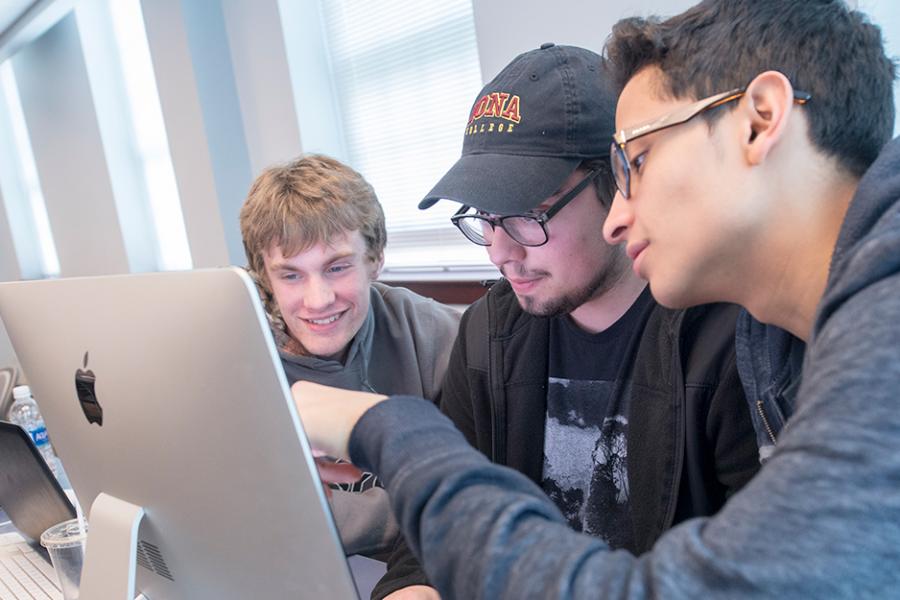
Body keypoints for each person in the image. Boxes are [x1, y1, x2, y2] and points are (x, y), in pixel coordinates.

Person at [292, 0, 900, 597]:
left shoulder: (851, 334)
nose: (619, 217)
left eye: (637, 162)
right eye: (486, 219)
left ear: (760, 120)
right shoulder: (491, 330)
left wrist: (390, 432)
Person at [374, 44, 759, 599]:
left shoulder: (727, 339)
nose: (499, 252)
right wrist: (412, 587)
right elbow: (438, 521)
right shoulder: (489, 333)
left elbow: (758, 574)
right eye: (485, 218)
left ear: (618, 183)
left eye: (528, 215)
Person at [238, 154, 461, 562]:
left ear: (375, 259)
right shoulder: (234, 362)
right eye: (291, 275)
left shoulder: (436, 335)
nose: (318, 300)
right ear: (265, 277)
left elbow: (471, 500)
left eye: (337, 267)